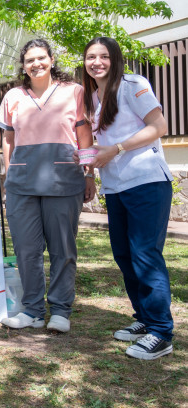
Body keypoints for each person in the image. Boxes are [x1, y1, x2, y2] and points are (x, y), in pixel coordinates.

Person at [81, 36, 174, 360]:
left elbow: (159, 125)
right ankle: (146, 320)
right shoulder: (93, 97)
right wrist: (90, 170)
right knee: (124, 255)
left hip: (146, 182)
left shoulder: (133, 84)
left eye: (103, 56)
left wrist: (117, 149)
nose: (97, 62)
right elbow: (97, 144)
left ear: (115, 59)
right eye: (91, 57)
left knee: (146, 256)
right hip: (116, 187)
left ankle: (161, 332)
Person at [0, 39, 94, 333]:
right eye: (29, 60)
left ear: (51, 59)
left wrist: (89, 174)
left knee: (63, 248)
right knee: (26, 249)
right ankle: (33, 310)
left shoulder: (74, 92)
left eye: (41, 58)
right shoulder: (14, 96)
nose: (36, 64)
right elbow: (8, 140)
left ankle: (61, 310)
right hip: (22, 183)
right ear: (23, 66)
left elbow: (85, 136)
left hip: (64, 179)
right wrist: (8, 175)